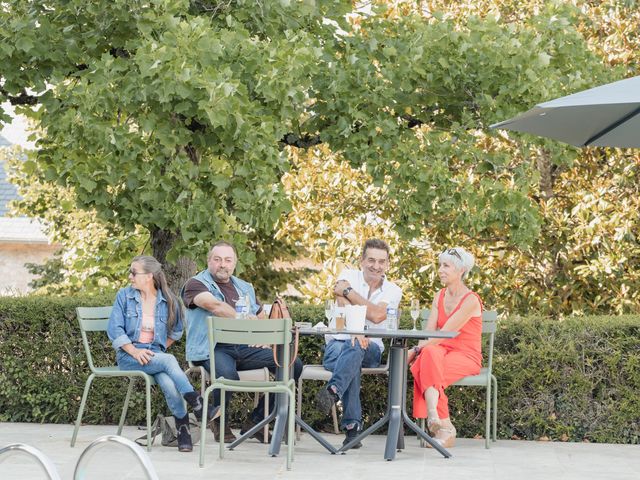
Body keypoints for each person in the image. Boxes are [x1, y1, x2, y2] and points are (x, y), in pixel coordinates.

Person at [182, 241, 303, 443]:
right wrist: (244, 319)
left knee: (291, 363)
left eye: (228, 260)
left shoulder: (244, 286)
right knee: (228, 376)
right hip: (213, 347)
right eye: (217, 259)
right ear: (209, 261)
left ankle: (256, 421)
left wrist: (262, 338)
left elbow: (259, 316)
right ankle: (220, 423)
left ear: (234, 263)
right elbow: (215, 305)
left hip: (244, 348)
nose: (223, 264)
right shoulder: (196, 284)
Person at [107, 255, 217, 453]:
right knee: (169, 360)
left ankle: (183, 430)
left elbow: (176, 331)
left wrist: (157, 352)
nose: (130, 276)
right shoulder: (124, 296)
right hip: (128, 356)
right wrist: (134, 351)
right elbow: (115, 330)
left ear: (149, 276)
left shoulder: (168, 300)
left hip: (155, 356)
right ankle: (197, 403)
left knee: (168, 381)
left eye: (134, 272)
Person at [315, 238, 402, 449]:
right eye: (371, 260)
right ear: (361, 260)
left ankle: (334, 392)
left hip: (372, 348)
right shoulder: (348, 275)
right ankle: (351, 427)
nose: (376, 266)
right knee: (352, 352)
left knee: (356, 347)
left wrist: (350, 293)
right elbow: (341, 301)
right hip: (339, 344)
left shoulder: (393, 290)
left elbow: (379, 315)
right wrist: (358, 330)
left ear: (388, 264)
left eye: (382, 262)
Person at [408, 247, 482, 448]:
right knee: (429, 354)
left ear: (461, 271)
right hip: (440, 350)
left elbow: (444, 333)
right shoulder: (438, 296)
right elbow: (430, 334)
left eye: (446, 266)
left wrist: (414, 351)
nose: (440, 270)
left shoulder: (471, 300)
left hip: (466, 355)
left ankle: (441, 425)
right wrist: (420, 348)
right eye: (440, 265)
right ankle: (442, 424)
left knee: (425, 366)